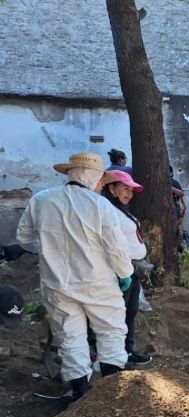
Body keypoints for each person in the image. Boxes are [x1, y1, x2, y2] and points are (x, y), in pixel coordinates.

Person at [17, 152, 133, 402]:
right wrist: (126, 274)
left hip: (56, 284)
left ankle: (80, 395)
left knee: (70, 338)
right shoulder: (100, 205)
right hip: (98, 283)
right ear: (92, 177)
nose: (102, 185)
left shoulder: (41, 200)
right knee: (110, 332)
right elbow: (116, 247)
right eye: (102, 180)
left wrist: (49, 250)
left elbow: (24, 239)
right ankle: (113, 395)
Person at [102, 170, 152, 365]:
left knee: (130, 310)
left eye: (131, 190)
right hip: (120, 270)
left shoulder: (122, 211)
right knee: (118, 313)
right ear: (111, 189)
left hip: (133, 270)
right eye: (125, 189)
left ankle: (127, 351)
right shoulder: (107, 211)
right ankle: (114, 356)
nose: (129, 194)